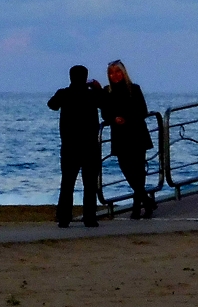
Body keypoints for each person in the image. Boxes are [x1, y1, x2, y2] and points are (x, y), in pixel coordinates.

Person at [47, 64, 103, 227]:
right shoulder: (92, 95)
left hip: (69, 145)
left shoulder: (64, 94)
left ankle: (64, 217)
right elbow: (104, 103)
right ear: (86, 78)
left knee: (67, 183)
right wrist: (97, 88)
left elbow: (52, 105)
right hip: (90, 144)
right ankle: (90, 218)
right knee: (90, 183)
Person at [100, 59, 157, 218]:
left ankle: (138, 207)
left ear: (123, 73)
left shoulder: (134, 89)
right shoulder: (107, 92)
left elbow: (142, 110)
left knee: (138, 172)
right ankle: (146, 201)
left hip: (137, 133)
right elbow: (104, 112)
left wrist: (126, 118)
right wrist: (114, 119)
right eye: (111, 73)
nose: (115, 75)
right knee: (126, 169)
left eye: (117, 72)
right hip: (120, 135)